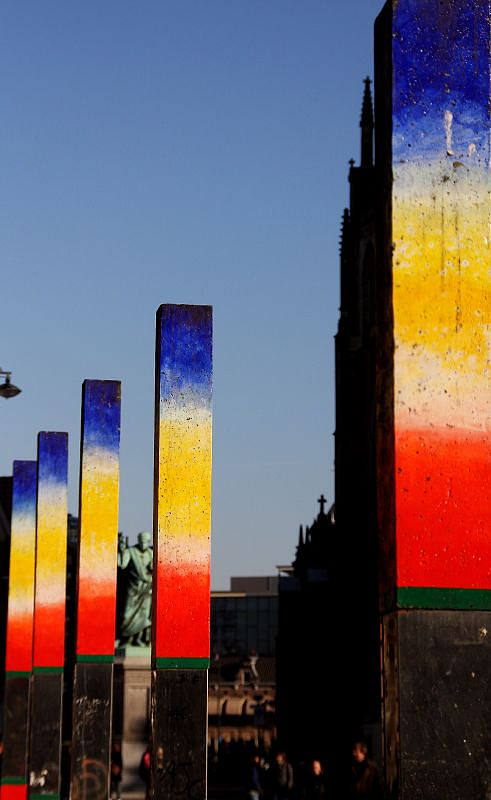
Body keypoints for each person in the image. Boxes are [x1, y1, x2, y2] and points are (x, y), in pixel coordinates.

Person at [117, 532, 153, 646]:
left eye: (145, 542)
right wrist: (122, 551)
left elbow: (153, 568)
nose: (143, 544)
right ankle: (125, 639)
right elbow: (122, 564)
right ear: (138, 540)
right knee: (127, 614)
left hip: (146, 589)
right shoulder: (131, 552)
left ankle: (138, 639)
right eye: (141, 541)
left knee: (144, 615)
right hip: (132, 589)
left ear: (149, 542)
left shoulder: (150, 553)